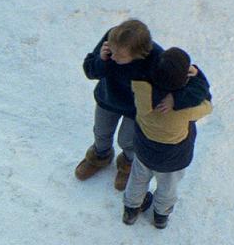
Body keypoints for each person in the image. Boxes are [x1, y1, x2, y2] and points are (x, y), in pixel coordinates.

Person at [78, 19, 211, 190]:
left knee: (127, 141)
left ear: (138, 54)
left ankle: (127, 164)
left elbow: (193, 88)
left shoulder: (157, 59)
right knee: (101, 132)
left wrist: (175, 99)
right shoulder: (113, 41)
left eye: (120, 55)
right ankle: (99, 156)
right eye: (112, 52)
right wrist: (101, 61)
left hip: (136, 110)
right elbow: (90, 70)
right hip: (107, 99)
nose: (114, 57)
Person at [123, 47, 212, 229]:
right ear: (185, 80)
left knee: (138, 178)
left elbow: (140, 70)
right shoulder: (186, 109)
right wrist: (197, 77)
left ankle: (131, 209)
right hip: (173, 159)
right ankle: (161, 216)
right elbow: (207, 103)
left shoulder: (141, 90)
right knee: (167, 187)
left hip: (144, 150)